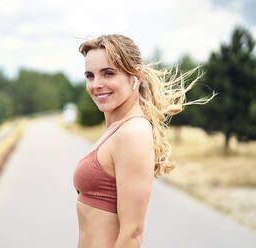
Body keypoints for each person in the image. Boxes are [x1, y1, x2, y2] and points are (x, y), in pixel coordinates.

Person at [73, 34, 215, 248]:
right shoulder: (117, 128)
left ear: (135, 76)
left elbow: (132, 234)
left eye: (108, 73)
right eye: (89, 76)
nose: (96, 84)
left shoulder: (132, 132)